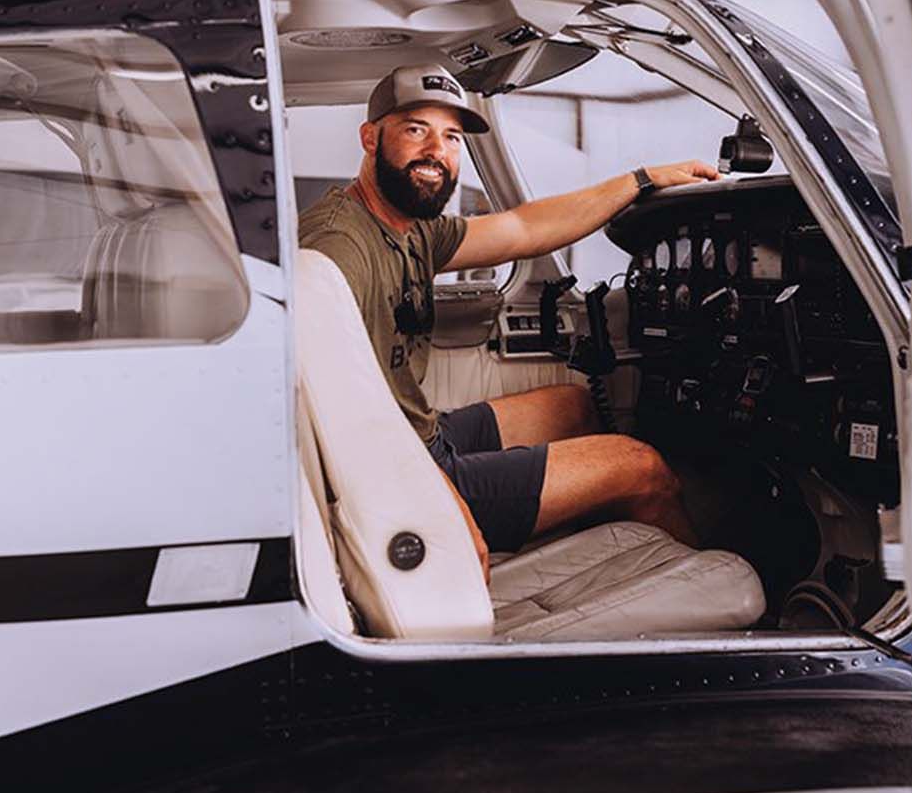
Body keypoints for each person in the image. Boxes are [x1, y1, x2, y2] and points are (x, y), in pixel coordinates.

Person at [298, 63, 718, 581]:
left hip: (421, 439)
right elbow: (349, 416)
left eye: (451, 137)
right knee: (644, 468)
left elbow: (522, 227)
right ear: (370, 138)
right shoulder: (341, 247)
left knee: (573, 405)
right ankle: (713, 593)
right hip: (399, 472)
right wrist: (443, 506)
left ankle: (583, 542)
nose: (438, 151)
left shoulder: (407, 227)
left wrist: (640, 180)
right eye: (416, 130)